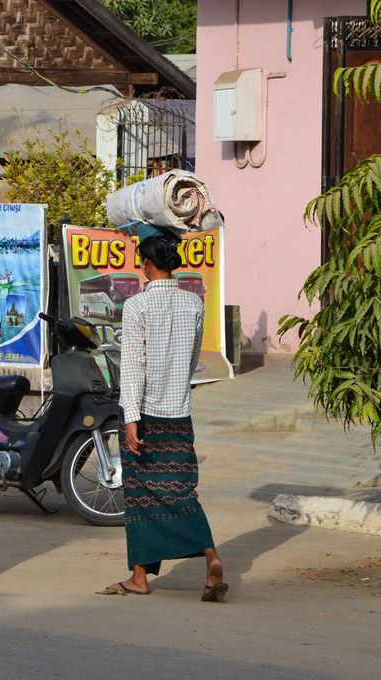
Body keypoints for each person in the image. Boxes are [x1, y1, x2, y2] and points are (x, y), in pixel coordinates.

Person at [101, 225, 227, 602]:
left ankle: (153, 573)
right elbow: (191, 362)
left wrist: (130, 418)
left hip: (147, 415)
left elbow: (133, 366)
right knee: (182, 489)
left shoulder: (137, 305)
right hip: (179, 412)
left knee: (140, 493)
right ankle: (201, 559)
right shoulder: (194, 303)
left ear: (147, 264)